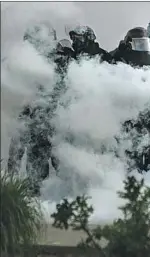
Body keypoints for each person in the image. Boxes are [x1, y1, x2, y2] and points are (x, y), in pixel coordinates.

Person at [7, 24, 75, 194]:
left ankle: (67, 200)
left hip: (55, 120)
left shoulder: (60, 60)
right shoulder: (24, 65)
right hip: (35, 119)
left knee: (63, 166)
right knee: (35, 167)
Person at [111, 27, 150, 172]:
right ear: (129, 43)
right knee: (128, 145)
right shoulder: (120, 57)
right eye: (139, 43)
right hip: (127, 110)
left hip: (145, 107)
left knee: (146, 142)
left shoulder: (148, 58)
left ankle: (142, 173)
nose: (142, 47)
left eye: (144, 43)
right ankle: (128, 176)